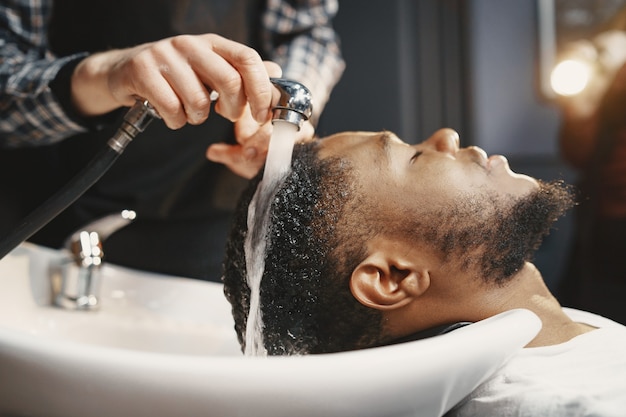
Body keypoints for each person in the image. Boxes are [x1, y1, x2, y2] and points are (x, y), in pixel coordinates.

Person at [222, 129, 626, 415]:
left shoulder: (554, 343)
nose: (446, 137)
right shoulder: (569, 405)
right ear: (393, 277)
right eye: (413, 157)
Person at [0, 0, 344, 280]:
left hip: (213, 224)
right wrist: (107, 74)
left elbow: (307, 33)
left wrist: (280, 113)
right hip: (47, 217)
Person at [555, 30, 626, 324]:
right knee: (593, 316)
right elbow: (579, 153)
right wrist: (580, 108)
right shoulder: (613, 59)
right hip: (604, 228)